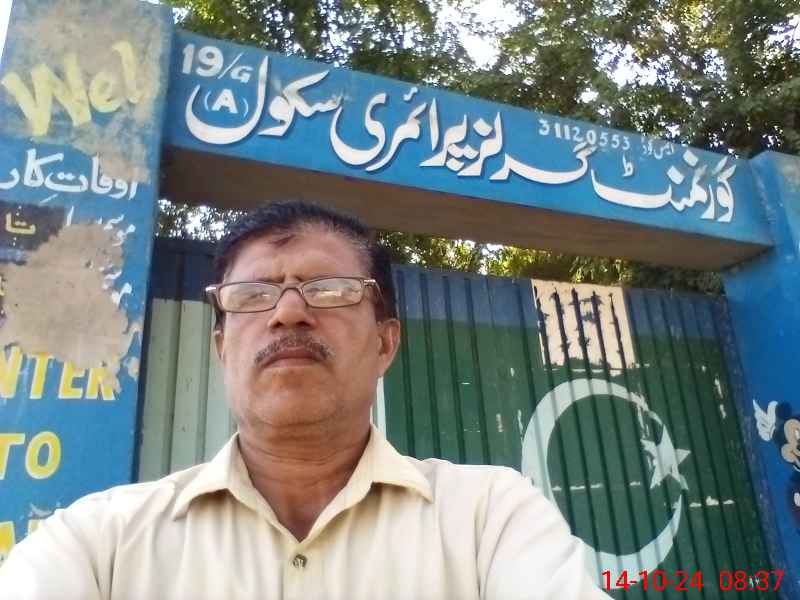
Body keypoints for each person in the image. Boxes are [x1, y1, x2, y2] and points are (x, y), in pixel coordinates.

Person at [0, 201, 610, 599]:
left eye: (330, 289)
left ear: (385, 342)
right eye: (252, 295)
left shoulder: (489, 520)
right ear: (221, 347)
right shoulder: (100, 541)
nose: (289, 312)